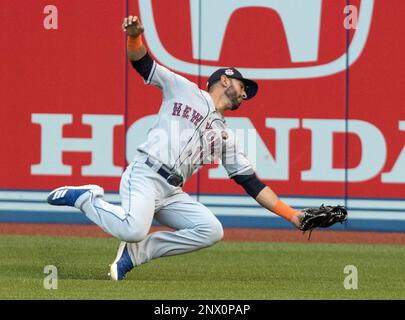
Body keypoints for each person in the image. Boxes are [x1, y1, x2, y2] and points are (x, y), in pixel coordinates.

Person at [47, 15, 304, 281]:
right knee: (134, 229)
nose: (245, 93)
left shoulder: (226, 136)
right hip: (146, 175)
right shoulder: (184, 89)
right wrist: (134, 36)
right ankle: (87, 199)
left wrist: (292, 215)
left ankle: (136, 255)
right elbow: (143, 63)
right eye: (242, 86)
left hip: (171, 192)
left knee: (211, 230)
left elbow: (252, 184)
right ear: (225, 80)